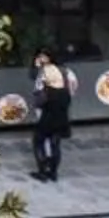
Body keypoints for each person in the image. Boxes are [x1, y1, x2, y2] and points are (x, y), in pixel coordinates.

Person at [32, 51, 75, 181]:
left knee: (39, 140)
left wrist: (38, 67)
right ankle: (54, 172)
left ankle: (42, 171)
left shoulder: (45, 70)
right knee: (55, 141)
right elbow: (73, 85)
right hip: (62, 106)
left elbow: (38, 89)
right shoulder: (66, 71)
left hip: (49, 106)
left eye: (42, 56)